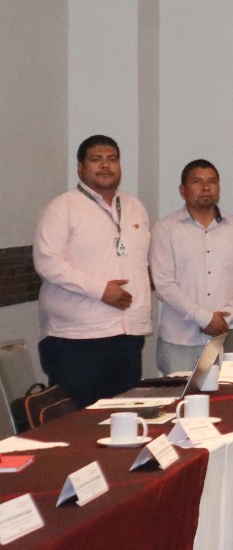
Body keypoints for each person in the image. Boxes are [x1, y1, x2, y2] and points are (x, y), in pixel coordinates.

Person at [33, 136, 153, 404]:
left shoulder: (134, 206)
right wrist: (101, 290)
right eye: (96, 159)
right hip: (76, 339)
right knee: (79, 420)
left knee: (123, 417)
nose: (105, 166)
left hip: (127, 335)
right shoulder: (62, 207)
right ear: (80, 167)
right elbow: (47, 263)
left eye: (112, 159)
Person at [149, 159, 233, 375]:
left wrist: (225, 317)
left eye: (212, 181)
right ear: (182, 190)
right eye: (197, 182)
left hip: (229, 336)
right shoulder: (165, 229)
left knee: (231, 395)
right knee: (180, 396)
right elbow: (164, 285)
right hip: (180, 341)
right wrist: (205, 318)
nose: (206, 187)